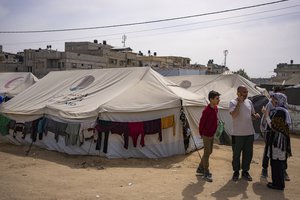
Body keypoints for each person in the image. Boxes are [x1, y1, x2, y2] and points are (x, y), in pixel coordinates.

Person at [229, 85, 260, 182]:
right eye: (243, 92)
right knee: (236, 154)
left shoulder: (249, 102)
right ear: (238, 93)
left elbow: (252, 115)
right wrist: (239, 102)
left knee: (248, 154)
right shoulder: (232, 102)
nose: (246, 94)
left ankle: (245, 171)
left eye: (246, 92)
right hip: (237, 134)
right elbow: (234, 115)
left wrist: (256, 116)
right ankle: (236, 172)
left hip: (249, 133)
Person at [260, 91, 291, 181]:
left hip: (278, 136)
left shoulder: (281, 111)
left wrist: (266, 115)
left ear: (278, 101)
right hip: (272, 133)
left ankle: (281, 173)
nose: (272, 100)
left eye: (274, 98)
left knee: (278, 155)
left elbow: (274, 125)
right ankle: (265, 169)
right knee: (269, 152)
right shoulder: (275, 107)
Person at [196, 90, 220, 182]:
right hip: (206, 135)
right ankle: (206, 172)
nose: (219, 100)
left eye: (218, 98)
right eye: (217, 98)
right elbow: (201, 123)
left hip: (212, 134)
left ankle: (200, 168)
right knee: (207, 153)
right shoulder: (206, 111)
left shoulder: (216, 108)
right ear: (211, 99)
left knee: (209, 152)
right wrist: (201, 133)